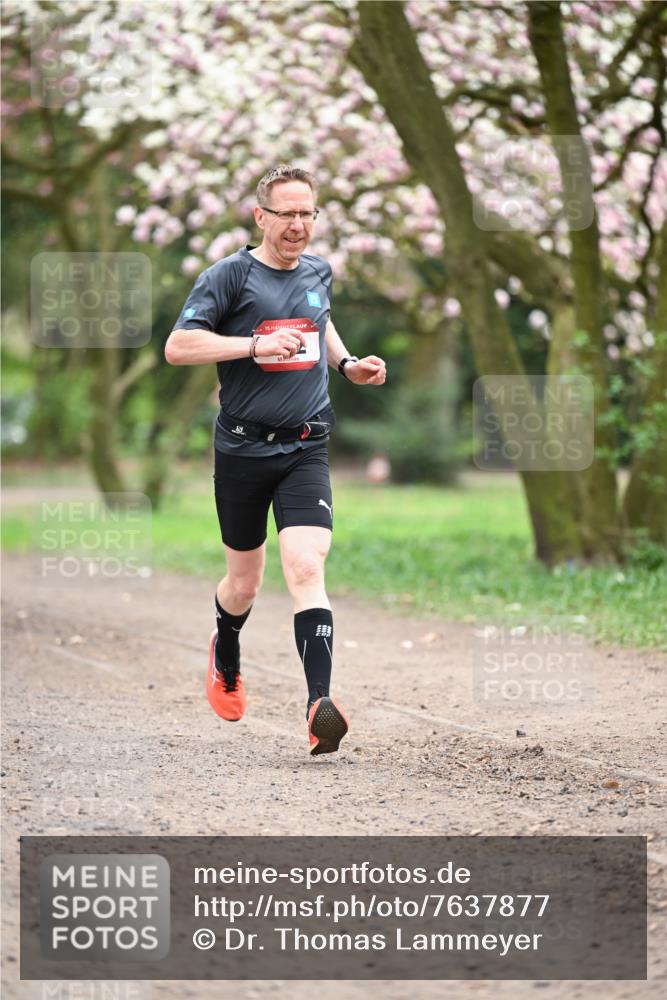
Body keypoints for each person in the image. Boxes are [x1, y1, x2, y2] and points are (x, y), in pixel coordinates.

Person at [165, 164, 387, 755]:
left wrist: (346, 365)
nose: (297, 225)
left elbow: (322, 321)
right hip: (241, 446)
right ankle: (226, 645)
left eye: (307, 213)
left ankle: (319, 705)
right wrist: (252, 345)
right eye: (285, 213)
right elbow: (178, 346)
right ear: (260, 216)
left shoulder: (319, 271)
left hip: (306, 444)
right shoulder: (228, 277)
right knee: (245, 581)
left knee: (307, 566)